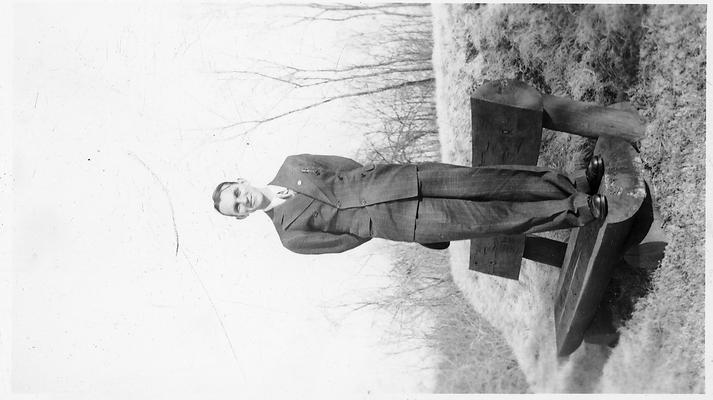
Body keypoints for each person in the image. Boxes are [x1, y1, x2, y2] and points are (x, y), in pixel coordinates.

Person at [212, 154, 607, 254]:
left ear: (240, 181)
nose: (243, 201)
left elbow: (345, 166)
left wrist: (370, 181)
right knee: (491, 218)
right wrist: (373, 222)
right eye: (238, 208)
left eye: (236, 193)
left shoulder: (292, 165)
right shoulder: (290, 237)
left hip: (399, 179)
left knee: (484, 179)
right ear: (242, 218)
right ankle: (579, 209)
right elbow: (346, 241)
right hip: (403, 221)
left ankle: (572, 182)